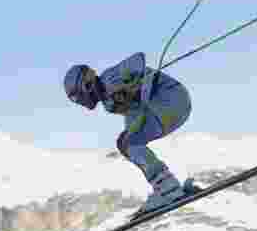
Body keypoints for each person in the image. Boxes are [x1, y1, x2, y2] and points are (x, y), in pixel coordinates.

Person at [64, 52, 200, 216]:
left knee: (128, 143)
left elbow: (138, 59)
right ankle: (164, 187)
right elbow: (134, 115)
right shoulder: (109, 103)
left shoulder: (111, 77)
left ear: (85, 85)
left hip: (170, 101)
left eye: (78, 97)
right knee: (126, 143)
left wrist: (133, 86)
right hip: (172, 108)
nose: (81, 102)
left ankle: (168, 188)